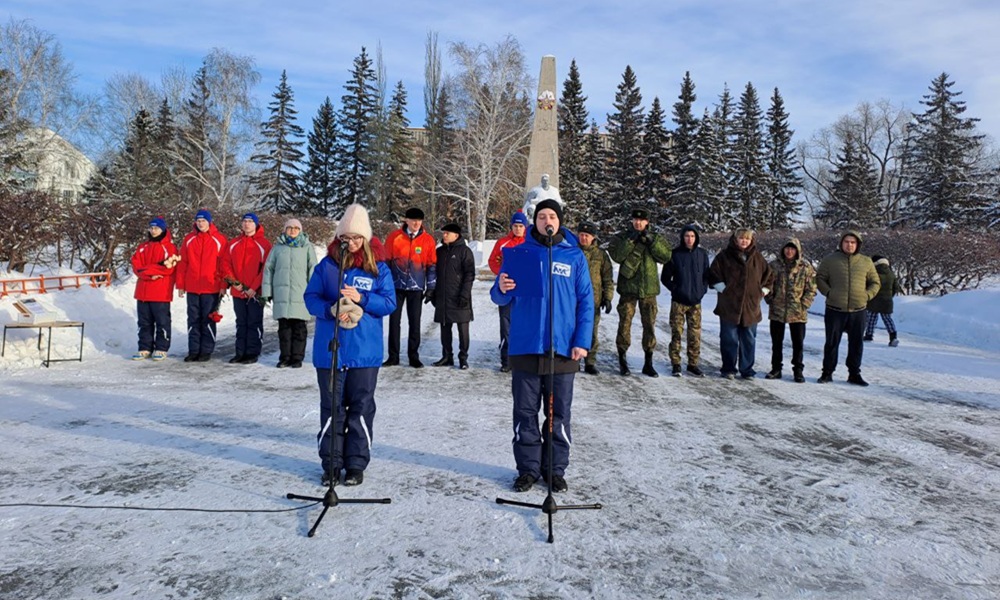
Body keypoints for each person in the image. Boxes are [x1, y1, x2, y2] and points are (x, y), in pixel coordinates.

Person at [490, 199, 594, 493]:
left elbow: (586, 301)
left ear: (560, 221)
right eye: (541, 216)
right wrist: (502, 287)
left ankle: (555, 469)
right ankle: (528, 469)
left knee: (558, 414)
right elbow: (498, 296)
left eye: (552, 216)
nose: (547, 220)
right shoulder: (519, 252)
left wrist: (582, 342)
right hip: (526, 346)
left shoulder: (574, 256)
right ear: (534, 221)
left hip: (563, 349)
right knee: (525, 413)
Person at [304, 204, 396, 487]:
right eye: (346, 238)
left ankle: (356, 464)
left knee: (361, 408)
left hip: (364, 352)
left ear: (366, 239)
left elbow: (389, 303)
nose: (351, 243)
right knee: (331, 408)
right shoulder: (327, 266)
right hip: (331, 350)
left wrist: (363, 299)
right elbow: (310, 298)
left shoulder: (378, 268)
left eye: (357, 238)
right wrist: (330, 309)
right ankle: (331, 463)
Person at [608, 208, 671, 377]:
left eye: (642, 221)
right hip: (628, 289)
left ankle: (648, 362)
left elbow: (666, 256)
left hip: (649, 290)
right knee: (624, 325)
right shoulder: (623, 236)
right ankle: (622, 359)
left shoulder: (655, 237)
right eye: (635, 220)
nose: (638, 223)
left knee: (649, 326)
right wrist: (629, 241)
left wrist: (652, 243)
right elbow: (616, 256)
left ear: (647, 222)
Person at [708, 228, 774, 380]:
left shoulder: (758, 258)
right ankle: (729, 368)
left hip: (750, 307)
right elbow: (713, 274)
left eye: (748, 239)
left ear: (752, 241)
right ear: (735, 239)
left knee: (749, 339)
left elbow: (769, 276)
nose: (744, 241)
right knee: (729, 339)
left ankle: (747, 369)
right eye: (741, 238)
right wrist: (723, 289)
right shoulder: (724, 256)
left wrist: (762, 291)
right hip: (729, 306)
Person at [816, 231, 880, 386]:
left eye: (853, 242)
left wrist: (867, 295)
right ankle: (827, 373)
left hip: (858, 310)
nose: (849, 245)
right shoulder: (830, 260)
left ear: (857, 244)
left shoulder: (866, 261)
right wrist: (829, 293)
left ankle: (854, 374)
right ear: (841, 243)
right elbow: (820, 278)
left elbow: (875, 282)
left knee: (856, 343)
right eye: (846, 242)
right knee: (831, 343)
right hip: (835, 309)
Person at [383, 207, 437, 368]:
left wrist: (431, 287)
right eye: (413, 220)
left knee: (415, 322)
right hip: (396, 286)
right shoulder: (394, 237)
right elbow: (385, 262)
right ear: (406, 220)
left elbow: (431, 265)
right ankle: (393, 356)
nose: (416, 224)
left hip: (416, 286)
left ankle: (413, 356)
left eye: (419, 221)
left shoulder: (428, 240)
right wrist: (385, 286)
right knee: (394, 322)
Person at [262, 218, 317, 368]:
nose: (292, 230)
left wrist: (314, 292)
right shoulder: (277, 248)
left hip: (301, 294)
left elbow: (313, 269)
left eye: (295, 228)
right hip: (282, 294)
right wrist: (267, 291)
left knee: (299, 328)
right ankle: (285, 357)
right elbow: (268, 270)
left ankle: (297, 357)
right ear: (284, 230)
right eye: (289, 228)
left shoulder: (307, 247)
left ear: (300, 231)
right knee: (284, 329)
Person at [219, 213, 272, 365]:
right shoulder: (234, 243)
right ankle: (240, 352)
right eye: (244, 221)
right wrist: (234, 282)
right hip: (238, 290)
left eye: (250, 222)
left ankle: (252, 352)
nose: (247, 224)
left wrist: (254, 287)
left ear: (256, 225)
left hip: (255, 292)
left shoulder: (264, 244)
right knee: (241, 322)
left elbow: (266, 268)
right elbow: (225, 264)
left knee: (254, 322)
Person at [176, 209, 227, 362]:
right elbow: (183, 262)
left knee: (207, 319)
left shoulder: (219, 239)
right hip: (192, 286)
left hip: (211, 286)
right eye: (198, 221)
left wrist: (223, 285)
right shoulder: (189, 239)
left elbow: (224, 264)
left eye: (203, 221)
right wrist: (180, 284)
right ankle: (193, 350)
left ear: (209, 222)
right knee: (193, 319)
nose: (200, 224)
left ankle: (206, 350)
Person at [660, 224, 710, 377]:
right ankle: (676, 363)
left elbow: (706, 276)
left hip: (695, 302)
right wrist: (676, 289)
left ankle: (693, 364)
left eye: (693, 236)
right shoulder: (674, 254)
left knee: (695, 335)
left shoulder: (702, 254)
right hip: (678, 302)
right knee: (677, 333)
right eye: (687, 236)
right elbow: (665, 278)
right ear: (682, 237)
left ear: (696, 238)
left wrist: (701, 290)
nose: (690, 239)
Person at [765, 238, 817, 383]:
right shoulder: (774, 266)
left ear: (797, 250)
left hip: (797, 312)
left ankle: (798, 370)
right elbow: (766, 284)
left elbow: (812, 288)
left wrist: (804, 304)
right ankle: (776, 368)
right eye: (787, 248)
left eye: (793, 248)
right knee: (776, 342)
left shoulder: (805, 267)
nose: (789, 251)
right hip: (777, 310)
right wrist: (770, 299)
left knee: (798, 343)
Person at [130, 217, 179, 361]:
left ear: (163, 229)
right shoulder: (142, 247)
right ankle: (144, 347)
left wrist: (146, 270)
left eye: (156, 228)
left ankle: (161, 347)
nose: (153, 230)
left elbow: (168, 268)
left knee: (162, 321)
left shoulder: (169, 247)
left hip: (160, 291)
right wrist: (149, 273)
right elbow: (136, 264)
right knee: (144, 322)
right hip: (143, 290)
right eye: (151, 228)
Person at [488, 210, 529, 372]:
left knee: (524, 326)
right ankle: (506, 360)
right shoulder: (503, 243)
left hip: (524, 291)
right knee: (506, 326)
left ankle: (522, 359)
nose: (518, 229)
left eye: (521, 226)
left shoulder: (530, 243)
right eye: (515, 226)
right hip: (506, 290)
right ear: (511, 227)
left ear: (525, 227)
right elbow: (493, 261)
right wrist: (502, 272)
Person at [431, 223, 475, 369]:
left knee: (463, 329)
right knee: (445, 328)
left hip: (460, 296)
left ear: (456, 235)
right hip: (443, 296)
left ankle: (463, 358)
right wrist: (433, 292)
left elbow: (470, 275)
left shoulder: (465, 251)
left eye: (447, 233)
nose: (444, 235)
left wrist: (464, 294)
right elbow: (434, 273)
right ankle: (446, 356)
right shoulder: (440, 251)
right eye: (443, 233)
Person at [576, 221, 614, 375]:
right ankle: (574, 359)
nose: (583, 238)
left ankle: (590, 362)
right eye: (581, 235)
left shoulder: (601, 255)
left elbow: (607, 278)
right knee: (573, 330)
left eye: (587, 235)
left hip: (593, 301)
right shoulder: (572, 252)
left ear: (593, 237)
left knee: (591, 332)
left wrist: (608, 297)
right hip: (574, 300)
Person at [865, 255, 903, 347]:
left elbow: (867, 285)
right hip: (887, 301)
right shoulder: (891, 274)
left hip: (874, 299)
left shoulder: (873, 273)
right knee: (887, 319)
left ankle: (869, 335)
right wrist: (889, 296)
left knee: (872, 318)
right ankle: (893, 337)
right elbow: (896, 288)